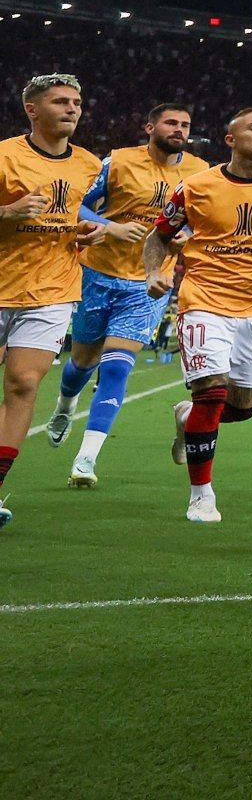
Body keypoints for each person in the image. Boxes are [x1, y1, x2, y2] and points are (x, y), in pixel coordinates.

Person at [145, 108, 252, 523]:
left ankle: (185, 417)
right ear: (230, 139)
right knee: (212, 394)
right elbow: (159, 236)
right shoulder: (196, 187)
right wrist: (154, 272)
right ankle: (202, 495)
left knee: (244, 408)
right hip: (204, 301)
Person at [42, 103, 204, 486]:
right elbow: (76, 203)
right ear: (150, 126)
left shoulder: (200, 173)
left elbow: (209, 220)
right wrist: (110, 226)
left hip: (149, 282)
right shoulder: (116, 162)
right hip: (97, 272)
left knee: (115, 367)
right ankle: (66, 404)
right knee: (81, 362)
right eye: (171, 122)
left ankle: (86, 459)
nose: (179, 129)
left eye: (185, 124)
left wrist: (189, 235)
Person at [0, 74, 105, 529]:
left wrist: (88, 230)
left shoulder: (87, 165)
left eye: (77, 102)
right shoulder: (4, 155)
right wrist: (5, 213)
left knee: (24, 383)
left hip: (53, 289)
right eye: (60, 101)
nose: (72, 109)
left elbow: (72, 218)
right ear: (32, 109)